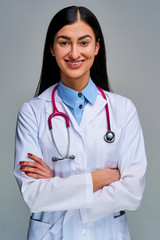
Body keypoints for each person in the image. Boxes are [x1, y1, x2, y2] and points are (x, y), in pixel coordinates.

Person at [14, 6, 147, 240]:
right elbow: (33, 194)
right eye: (64, 42)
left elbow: (132, 192)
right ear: (52, 49)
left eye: (84, 43)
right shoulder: (32, 112)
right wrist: (100, 178)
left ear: (97, 47)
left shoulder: (123, 110)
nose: (74, 54)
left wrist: (57, 187)